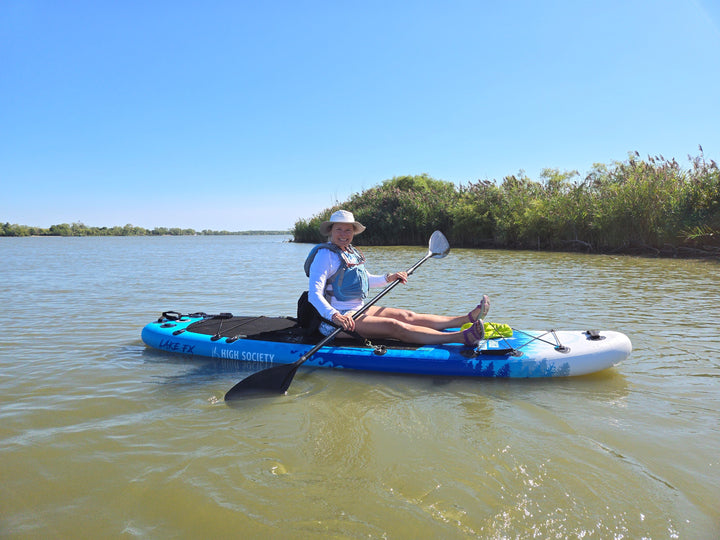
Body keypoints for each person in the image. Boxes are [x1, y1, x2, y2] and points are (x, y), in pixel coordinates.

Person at [304, 209, 489, 346]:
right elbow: (314, 295)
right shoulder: (324, 256)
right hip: (335, 319)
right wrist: (334, 316)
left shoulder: (351, 252)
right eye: (339, 230)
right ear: (331, 231)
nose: (344, 235)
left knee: (406, 315)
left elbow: (364, 280)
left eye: (348, 230)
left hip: (358, 309)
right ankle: (460, 338)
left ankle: (465, 319)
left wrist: (389, 278)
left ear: (353, 232)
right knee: (394, 325)